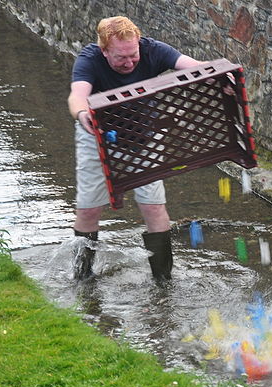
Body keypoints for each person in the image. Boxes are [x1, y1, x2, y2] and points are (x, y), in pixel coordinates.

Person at [67, 16, 205, 281]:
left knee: (153, 207)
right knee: (88, 208)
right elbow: (78, 94)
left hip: (144, 136)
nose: (129, 62)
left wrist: (223, 74)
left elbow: (192, 67)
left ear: (139, 43)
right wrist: (82, 113)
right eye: (121, 57)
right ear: (104, 50)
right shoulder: (89, 59)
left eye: (133, 55)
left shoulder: (154, 50)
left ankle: (163, 280)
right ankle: (82, 277)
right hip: (96, 134)